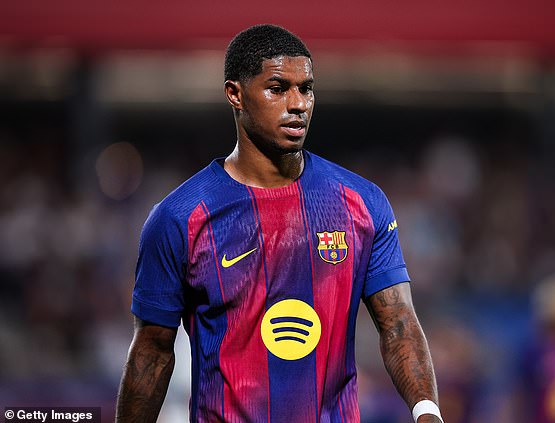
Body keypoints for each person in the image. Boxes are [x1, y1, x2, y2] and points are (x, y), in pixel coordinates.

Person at [116, 24, 442, 423]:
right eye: (278, 88)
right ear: (235, 94)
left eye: (306, 88)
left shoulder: (361, 203)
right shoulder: (179, 218)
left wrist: (427, 412)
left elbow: (399, 322)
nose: (298, 103)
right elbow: (152, 350)